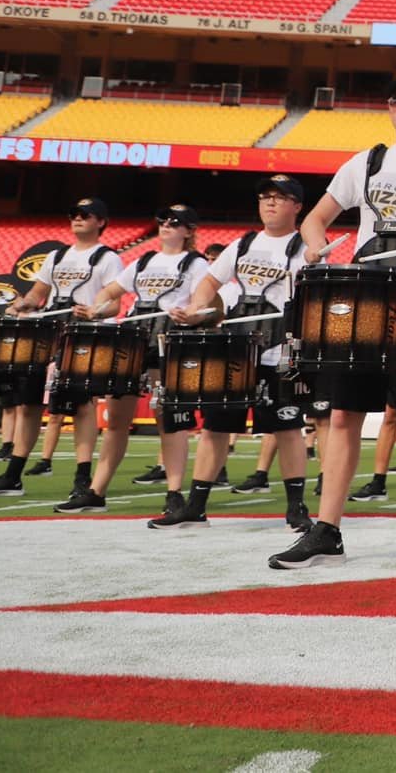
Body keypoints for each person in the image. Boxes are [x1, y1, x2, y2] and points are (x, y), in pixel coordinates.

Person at [278, 72, 396, 570]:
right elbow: (315, 218)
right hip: (362, 299)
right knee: (343, 415)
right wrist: (316, 243)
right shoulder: (365, 163)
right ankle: (327, 529)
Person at [150, 176, 314, 530]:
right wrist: (196, 307)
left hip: (278, 351)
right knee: (215, 427)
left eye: (281, 198)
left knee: (287, 427)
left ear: (297, 206)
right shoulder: (242, 245)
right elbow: (210, 281)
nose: (271, 203)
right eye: (265, 197)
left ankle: (297, 508)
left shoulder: (306, 246)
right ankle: (196, 506)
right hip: (236, 350)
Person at [0, 199, 122, 500]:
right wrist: (21, 304)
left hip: (83, 335)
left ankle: (82, 478)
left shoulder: (108, 258)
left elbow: (114, 302)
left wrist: (94, 311)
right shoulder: (56, 255)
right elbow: (38, 294)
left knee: (81, 407)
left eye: (85, 215)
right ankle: (13, 476)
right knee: (28, 405)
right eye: (73, 215)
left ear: (101, 221)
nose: (77, 219)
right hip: (48, 333)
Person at [61, 204, 209, 515]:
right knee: (116, 421)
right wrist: (97, 310)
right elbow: (108, 293)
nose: (166, 225)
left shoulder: (195, 264)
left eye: (175, 222)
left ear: (188, 230)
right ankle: (96, 491)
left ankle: (173, 493)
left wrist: (190, 314)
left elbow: (201, 303)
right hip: (133, 341)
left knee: (167, 420)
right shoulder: (143, 260)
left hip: (167, 343)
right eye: (162, 220)